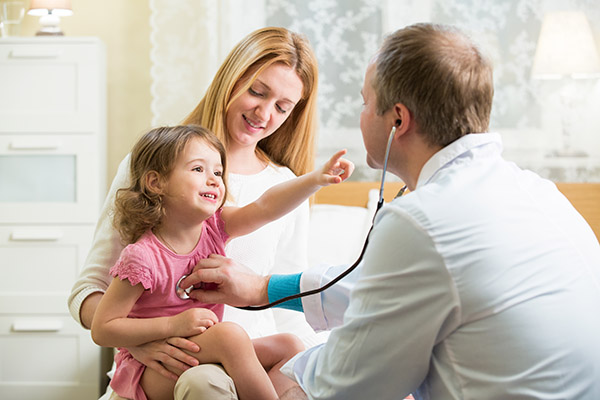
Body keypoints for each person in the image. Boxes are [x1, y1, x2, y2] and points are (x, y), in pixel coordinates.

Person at [182, 23, 600, 400]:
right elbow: (380, 290)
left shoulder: (422, 222)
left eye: (365, 103)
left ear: (398, 120)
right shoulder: (540, 193)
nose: (361, 116)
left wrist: (285, 370)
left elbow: (347, 382)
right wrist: (263, 288)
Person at [68, 27, 323, 399]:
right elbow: (88, 291)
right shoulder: (151, 167)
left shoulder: (283, 188)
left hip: (250, 363)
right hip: (169, 364)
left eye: (282, 107)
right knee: (204, 381)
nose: (264, 113)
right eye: (256, 91)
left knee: (293, 355)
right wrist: (147, 338)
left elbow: (290, 310)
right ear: (231, 80)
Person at [90, 124, 353, 400]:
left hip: (201, 350)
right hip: (153, 369)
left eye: (217, 172)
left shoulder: (214, 228)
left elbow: (265, 207)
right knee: (229, 336)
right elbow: (103, 328)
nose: (214, 179)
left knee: (288, 344)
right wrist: (173, 325)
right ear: (156, 183)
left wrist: (314, 180)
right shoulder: (141, 256)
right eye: (198, 169)